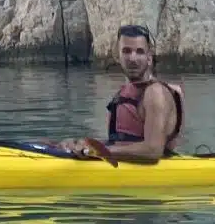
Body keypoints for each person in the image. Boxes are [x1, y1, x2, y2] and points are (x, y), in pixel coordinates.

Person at [62, 24, 183, 163]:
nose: (132, 58)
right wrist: (81, 144)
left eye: (139, 52)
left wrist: (101, 151)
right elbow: (119, 142)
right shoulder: (122, 94)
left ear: (149, 57)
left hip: (156, 174)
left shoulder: (155, 93)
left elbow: (153, 150)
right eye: (126, 51)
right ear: (117, 56)